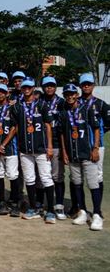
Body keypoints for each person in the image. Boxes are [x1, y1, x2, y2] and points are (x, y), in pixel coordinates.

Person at [59, 83, 102, 230]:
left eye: (72, 94)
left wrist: (95, 148)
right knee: (77, 183)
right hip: (72, 154)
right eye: (67, 94)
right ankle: (83, 212)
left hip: (87, 153)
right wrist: (64, 152)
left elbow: (96, 129)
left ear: (77, 95)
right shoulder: (64, 113)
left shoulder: (87, 109)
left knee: (93, 184)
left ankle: (97, 214)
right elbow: (62, 134)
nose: (70, 97)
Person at [12, 79, 56, 222]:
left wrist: (50, 146)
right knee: (29, 179)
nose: (26, 89)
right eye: (24, 87)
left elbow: (48, 126)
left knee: (46, 178)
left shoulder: (42, 104)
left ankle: (51, 211)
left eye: (29, 87)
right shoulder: (17, 106)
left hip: (41, 148)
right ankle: (33, 208)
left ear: (33, 88)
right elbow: (16, 127)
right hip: (25, 149)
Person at [0, 83, 20, 216]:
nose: (0, 94)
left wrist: (3, 144)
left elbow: (14, 128)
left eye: (3, 92)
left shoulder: (12, 108)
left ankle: (15, 203)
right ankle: (1, 202)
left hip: (10, 148)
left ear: (7, 93)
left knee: (12, 175)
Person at [79, 72, 109, 211]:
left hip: (97, 145)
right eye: (84, 84)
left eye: (89, 84)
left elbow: (108, 123)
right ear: (80, 86)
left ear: (93, 86)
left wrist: (98, 136)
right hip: (79, 144)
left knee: (97, 176)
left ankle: (97, 209)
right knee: (78, 177)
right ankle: (80, 208)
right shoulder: (76, 102)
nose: (86, 86)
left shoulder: (101, 104)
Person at [42, 76, 66, 218]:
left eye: (52, 85)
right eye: (47, 85)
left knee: (57, 176)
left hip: (56, 143)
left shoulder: (62, 103)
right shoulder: (39, 102)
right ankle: (42, 203)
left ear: (56, 87)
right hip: (41, 144)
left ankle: (59, 205)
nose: (49, 88)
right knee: (42, 176)